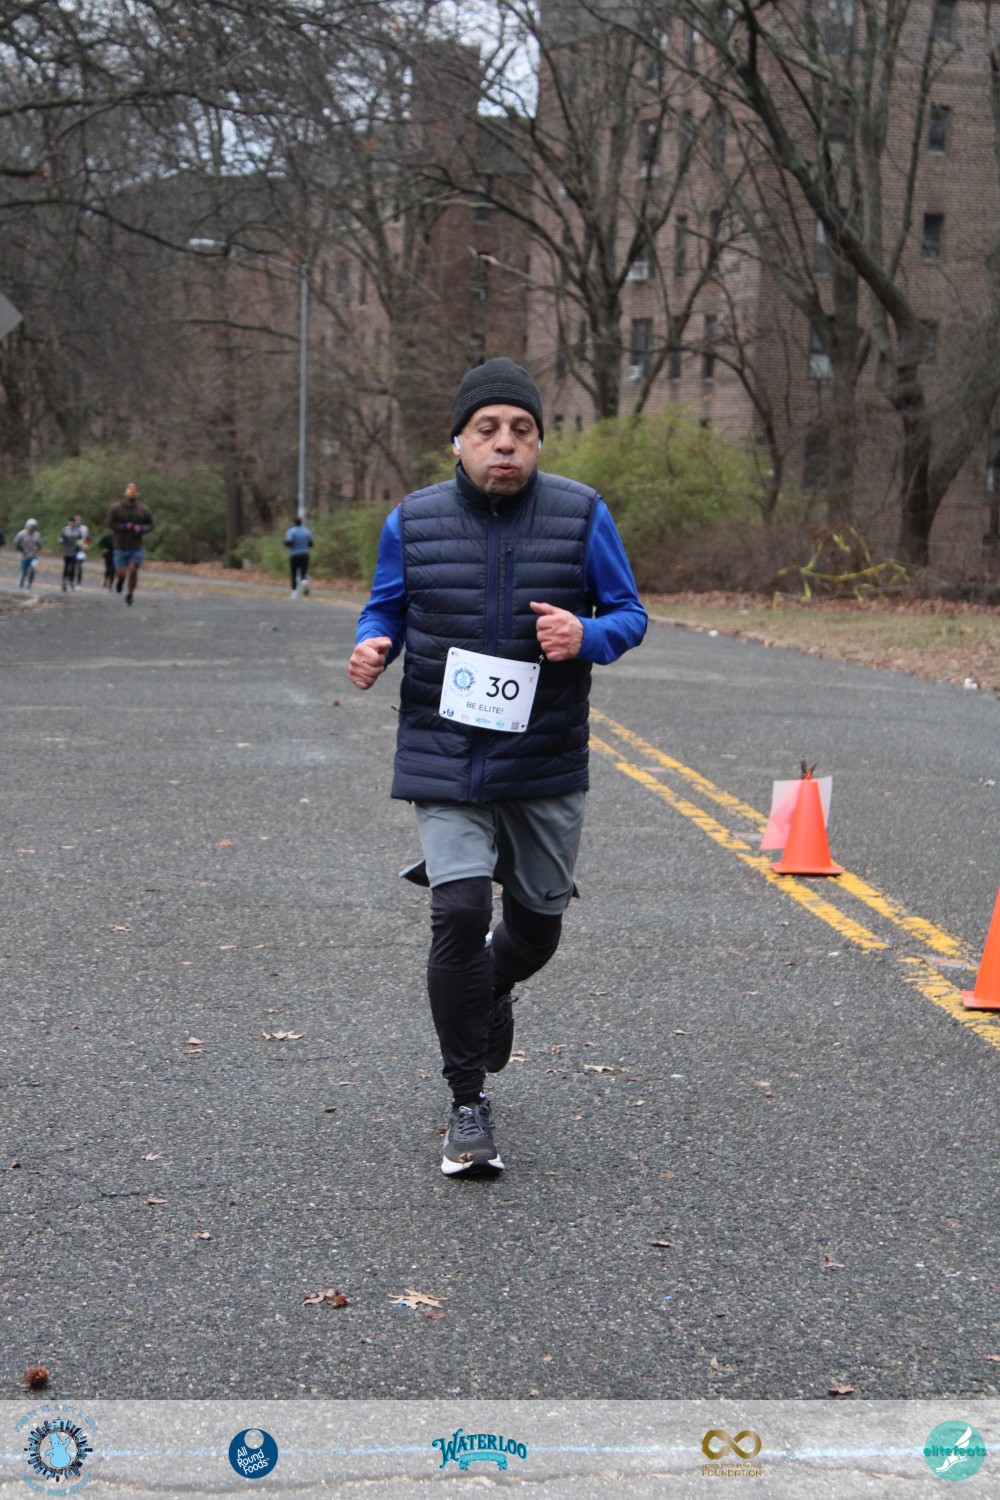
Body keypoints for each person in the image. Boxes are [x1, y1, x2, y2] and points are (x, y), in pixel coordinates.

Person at [348, 357, 647, 1177]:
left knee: (538, 928)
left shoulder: (583, 514)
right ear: (458, 441)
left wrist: (587, 636)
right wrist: (374, 643)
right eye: (487, 430)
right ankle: (466, 1103)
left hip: (544, 752)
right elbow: (386, 605)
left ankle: (495, 983)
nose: (505, 443)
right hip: (445, 750)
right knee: (456, 913)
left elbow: (629, 614)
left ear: (539, 442)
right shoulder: (412, 520)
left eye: (521, 430)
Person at [106, 483, 154, 605]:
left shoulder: (143, 509)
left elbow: (151, 525)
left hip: (136, 545)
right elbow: (110, 523)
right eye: (129, 493)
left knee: (133, 570)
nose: (132, 496)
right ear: (124, 494)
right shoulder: (115, 508)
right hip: (120, 545)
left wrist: (141, 528)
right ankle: (120, 580)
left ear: (137, 494)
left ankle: (130, 594)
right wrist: (123, 526)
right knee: (121, 572)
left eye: (134, 493)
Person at [284, 513, 313, 597]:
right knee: (303, 572)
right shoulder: (306, 531)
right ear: (301, 522)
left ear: (294, 522)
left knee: (294, 573)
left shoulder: (291, 531)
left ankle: (294, 591)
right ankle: (304, 581)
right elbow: (310, 544)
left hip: (294, 555)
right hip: (304, 554)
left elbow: (288, 542)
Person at [14, 518, 42, 591]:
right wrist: (22, 550)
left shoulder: (37, 535)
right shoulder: (21, 534)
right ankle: (21, 582)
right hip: (24, 556)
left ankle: (29, 585)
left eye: (34, 527)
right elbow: (16, 544)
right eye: (31, 527)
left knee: (32, 569)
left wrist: (37, 548)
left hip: (33, 555)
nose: (32, 529)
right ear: (27, 526)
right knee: (24, 570)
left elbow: (40, 545)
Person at [57, 515, 83, 592]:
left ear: (75, 523)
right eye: (70, 522)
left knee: (72, 568)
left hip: (74, 552)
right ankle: (64, 582)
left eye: (73, 522)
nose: (72, 524)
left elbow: (80, 540)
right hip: (66, 551)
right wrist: (61, 541)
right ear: (68, 522)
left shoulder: (78, 531)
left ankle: (71, 581)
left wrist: (79, 548)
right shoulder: (64, 530)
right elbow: (59, 538)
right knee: (66, 568)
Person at [74, 516, 90, 587]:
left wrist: (86, 544)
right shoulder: (70, 528)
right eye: (76, 520)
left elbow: (87, 538)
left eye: (79, 520)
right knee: (72, 566)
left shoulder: (84, 528)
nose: (77, 521)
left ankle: (78, 582)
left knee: (79, 566)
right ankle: (71, 579)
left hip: (81, 550)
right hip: (72, 550)